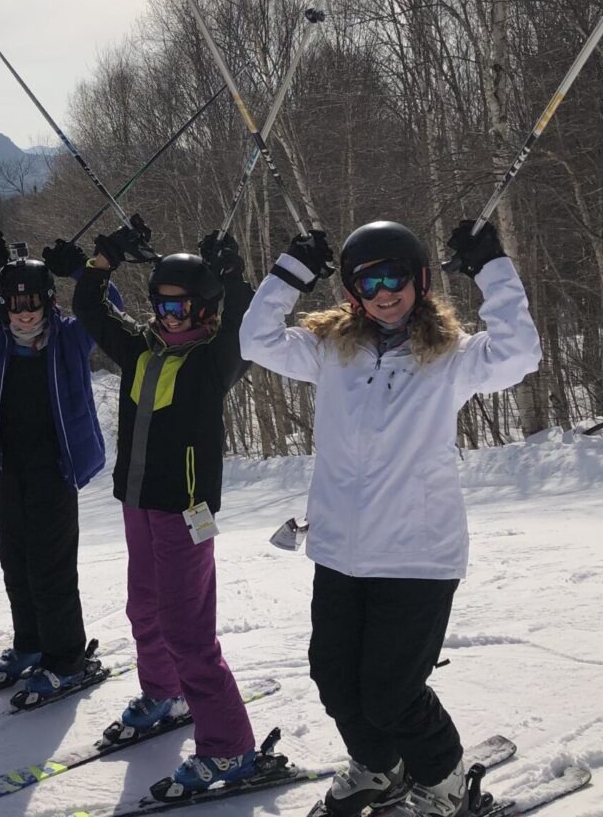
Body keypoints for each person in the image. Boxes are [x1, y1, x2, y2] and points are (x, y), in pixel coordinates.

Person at [238, 220, 541, 817]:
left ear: (419, 280)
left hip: (417, 554)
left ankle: (447, 781)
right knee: (334, 679)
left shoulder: (451, 357)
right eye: (368, 280)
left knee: (391, 692)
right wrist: (291, 270)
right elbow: (255, 339)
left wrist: (492, 268)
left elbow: (520, 354)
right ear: (352, 289)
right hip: (339, 550)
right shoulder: (332, 351)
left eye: (396, 277)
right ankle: (379, 768)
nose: (384, 292)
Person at [64, 222, 258, 801]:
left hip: (185, 510)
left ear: (204, 307)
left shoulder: (214, 359)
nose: (170, 315)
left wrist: (233, 277)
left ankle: (230, 747)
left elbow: (248, 324)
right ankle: (164, 692)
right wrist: (103, 261)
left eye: (181, 305)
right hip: (138, 501)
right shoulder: (142, 348)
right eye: (161, 304)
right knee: (143, 608)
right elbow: (92, 311)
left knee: (188, 630)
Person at [0, 233, 116, 701]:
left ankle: (67, 657)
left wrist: (82, 269)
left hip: (56, 467)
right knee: (15, 564)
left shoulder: (71, 336)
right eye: (15, 302)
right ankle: (30, 645)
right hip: (10, 467)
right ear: (2, 305)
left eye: (34, 300)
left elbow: (110, 308)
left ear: (49, 300)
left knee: (50, 568)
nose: (25, 311)